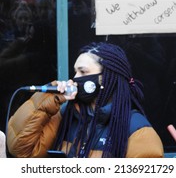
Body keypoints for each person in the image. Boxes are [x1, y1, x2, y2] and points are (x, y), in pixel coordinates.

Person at [7, 42, 164, 158]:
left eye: (82, 72)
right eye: (75, 72)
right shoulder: (65, 116)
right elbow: (20, 149)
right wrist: (44, 101)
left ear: (106, 78)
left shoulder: (138, 130)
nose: (75, 78)